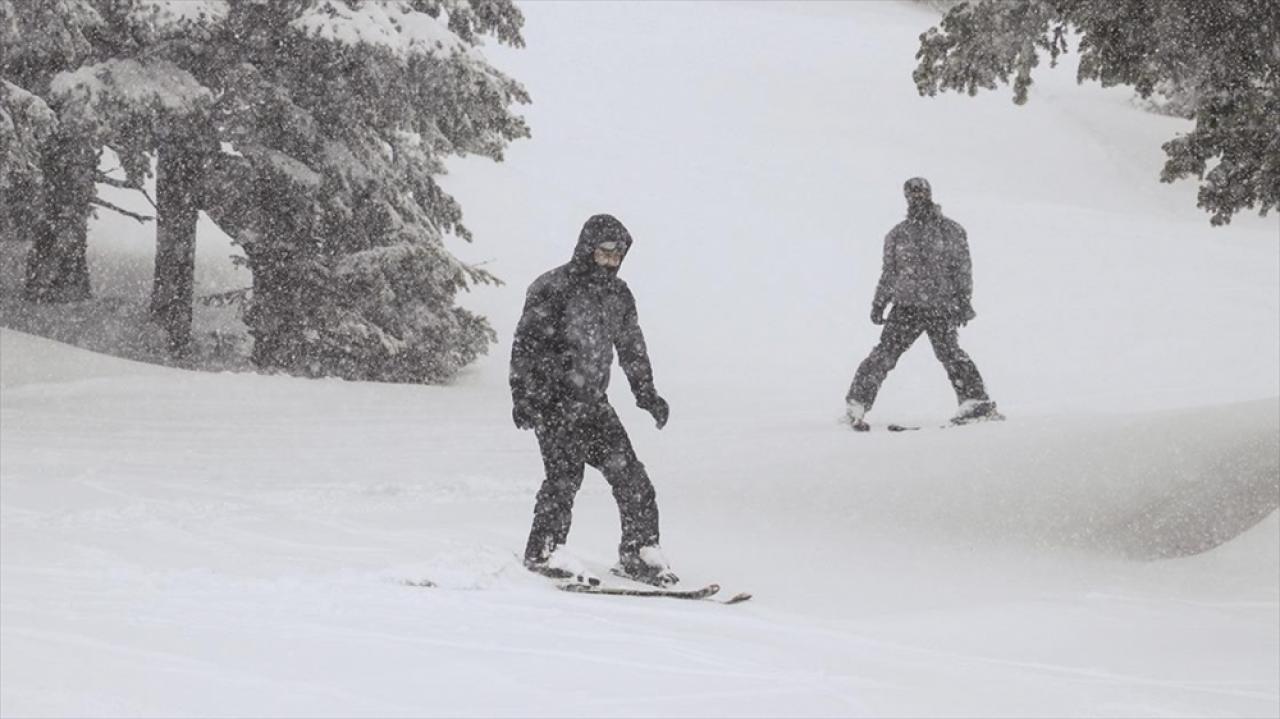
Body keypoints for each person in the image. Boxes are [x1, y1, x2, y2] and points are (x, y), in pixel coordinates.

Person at [509, 214, 677, 586]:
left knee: (632, 477)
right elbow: (525, 345)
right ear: (588, 248)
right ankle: (545, 551)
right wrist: (524, 397)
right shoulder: (552, 287)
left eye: (618, 254)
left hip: (593, 404)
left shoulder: (618, 295)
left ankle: (639, 552)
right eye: (605, 252)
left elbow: (631, 347)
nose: (612, 260)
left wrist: (646, 393)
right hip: (552, 402)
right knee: (565, 478)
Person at [845, 177, 1000, 430]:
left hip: (940, 306)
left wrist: (963, 302)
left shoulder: (950, 230)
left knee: (950, 355)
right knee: (884, 355)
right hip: (906, 307)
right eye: (911, 193)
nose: (916, 196)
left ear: (929, 193)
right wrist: (879, 302)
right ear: (906, 196)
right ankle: (856, 404)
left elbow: (962, 269)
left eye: (920, 192)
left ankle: (975, 401)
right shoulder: (897, 234)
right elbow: (889, 272)